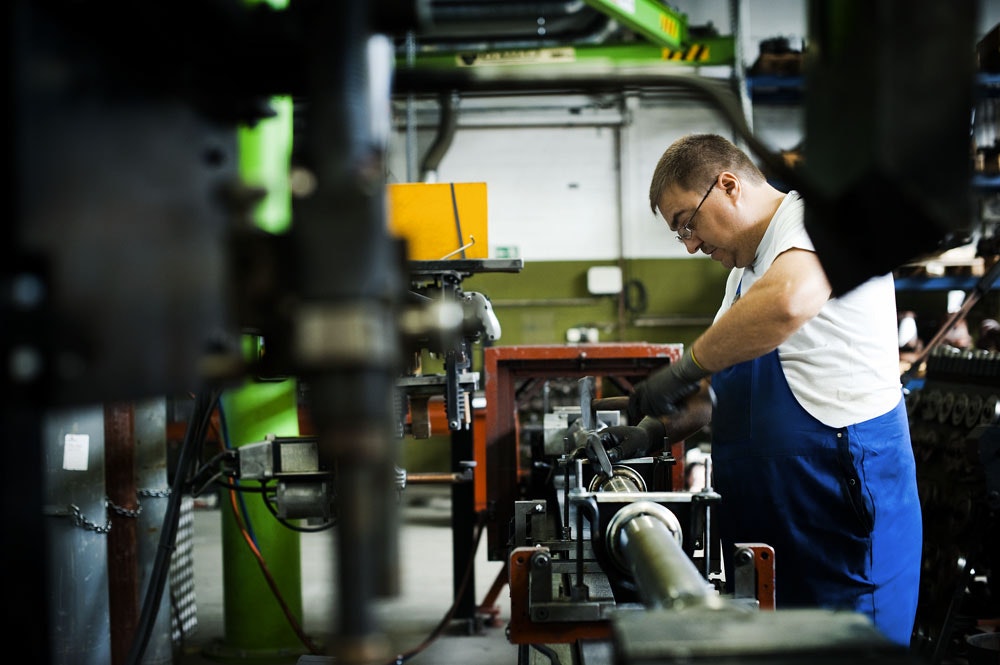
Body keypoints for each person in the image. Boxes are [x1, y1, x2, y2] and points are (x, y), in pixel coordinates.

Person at [595, 133, 922, 647]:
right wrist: (651, 431)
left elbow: (790, 300)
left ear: (728, 186)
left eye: (687, 222)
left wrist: (681, 370)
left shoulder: (823, 220)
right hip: (773, 526)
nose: (691, 244)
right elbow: (714, 393)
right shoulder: (746, 275)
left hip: (838, 507)